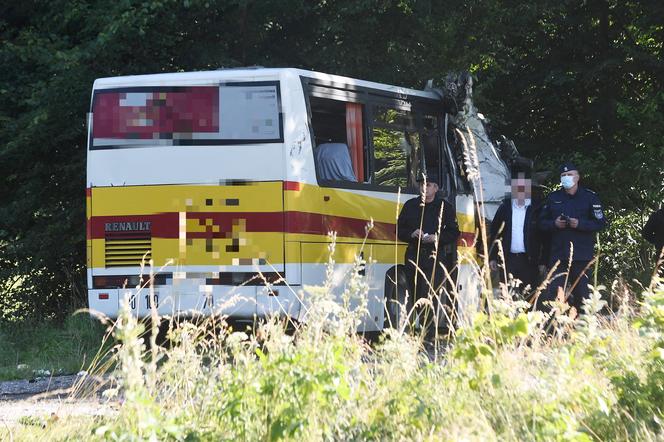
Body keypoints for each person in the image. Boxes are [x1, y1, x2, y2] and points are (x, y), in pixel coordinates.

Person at [538, 162, 608, 312]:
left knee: (583, 296)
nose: (566, 177)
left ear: (577, 177)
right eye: (563, 175)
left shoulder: (590, 197)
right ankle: (554, 331)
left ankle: (583, 329)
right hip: (559, 255)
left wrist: (580, 224)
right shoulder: (553, 197)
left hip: (581, 256)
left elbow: (601, 223)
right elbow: (541, 224)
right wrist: (554, 224)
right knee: (555, 295)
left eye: (569, 174)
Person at [397, 174, 459, 330]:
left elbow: (454, 233)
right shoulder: (410, 205)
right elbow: (399, 230)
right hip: (413, 254)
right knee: (415, 293)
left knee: (430, 294)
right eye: (422, 185)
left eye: (428, 184)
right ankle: (421, 328)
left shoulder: (445, 207)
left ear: (436, 188)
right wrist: (412, 233)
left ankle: (429, 334)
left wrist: (436, 237)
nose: (424, 187)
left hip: (434, 256)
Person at [489, 170, 546, 296]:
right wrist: (492, 257)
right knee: (507, 295)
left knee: (528, 295)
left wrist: (543, 261)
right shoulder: (505, 208)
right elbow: (495, 233)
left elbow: (544, 237)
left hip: (529, 260)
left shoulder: (537, 209)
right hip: (508, 259)